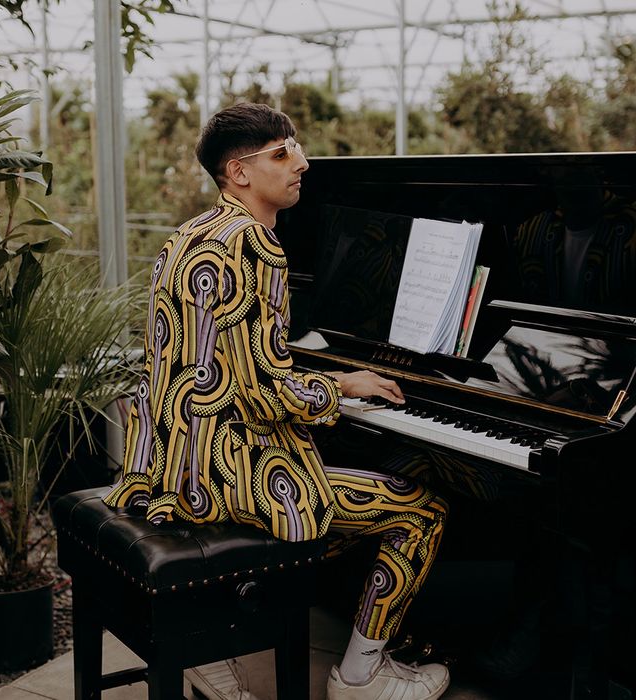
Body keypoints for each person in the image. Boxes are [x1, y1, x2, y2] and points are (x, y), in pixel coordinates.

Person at [103, 102, 450, 700]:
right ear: (239, 172)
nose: (303, 164)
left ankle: (217, 633)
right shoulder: (259, 248)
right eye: (285, 152)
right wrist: (340, 388)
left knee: (338, 516)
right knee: (421, 511)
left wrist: (326, 382)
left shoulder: (189, 235)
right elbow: (264, 394)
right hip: (231, 474)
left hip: (173, 465)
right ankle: (361, 677)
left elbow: (210, 363)